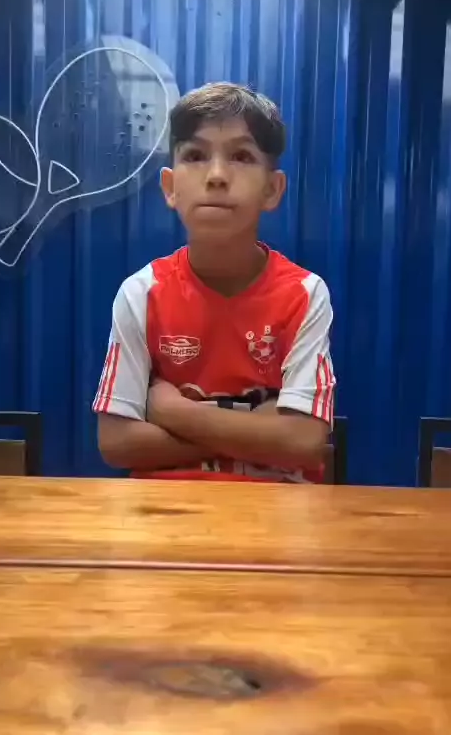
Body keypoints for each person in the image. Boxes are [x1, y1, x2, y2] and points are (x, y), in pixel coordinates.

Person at [93, 82, 335, 483]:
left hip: (275, 514)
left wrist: (174, 412)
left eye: (241, 156)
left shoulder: (304, 294)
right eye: (195, 155)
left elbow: (303, 441)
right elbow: (116, 442)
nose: (217, 175)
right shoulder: (142, 293)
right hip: (162, 514)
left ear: (272, 189)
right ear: (170, 187)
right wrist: (259, 432)